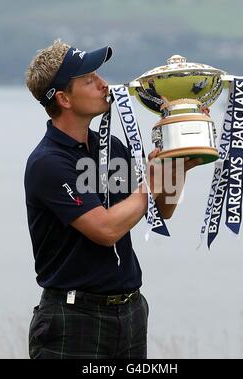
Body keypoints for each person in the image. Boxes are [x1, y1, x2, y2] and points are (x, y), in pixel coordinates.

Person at [24, 40, 202, 359]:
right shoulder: (48, 163)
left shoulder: (111, 147)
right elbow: (105, 231)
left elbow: (164, 209)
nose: (104, 84)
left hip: (131, 312)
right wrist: (150, 184)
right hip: (73, 318)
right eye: (90, 79)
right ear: (63, 98)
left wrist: (177, 162)